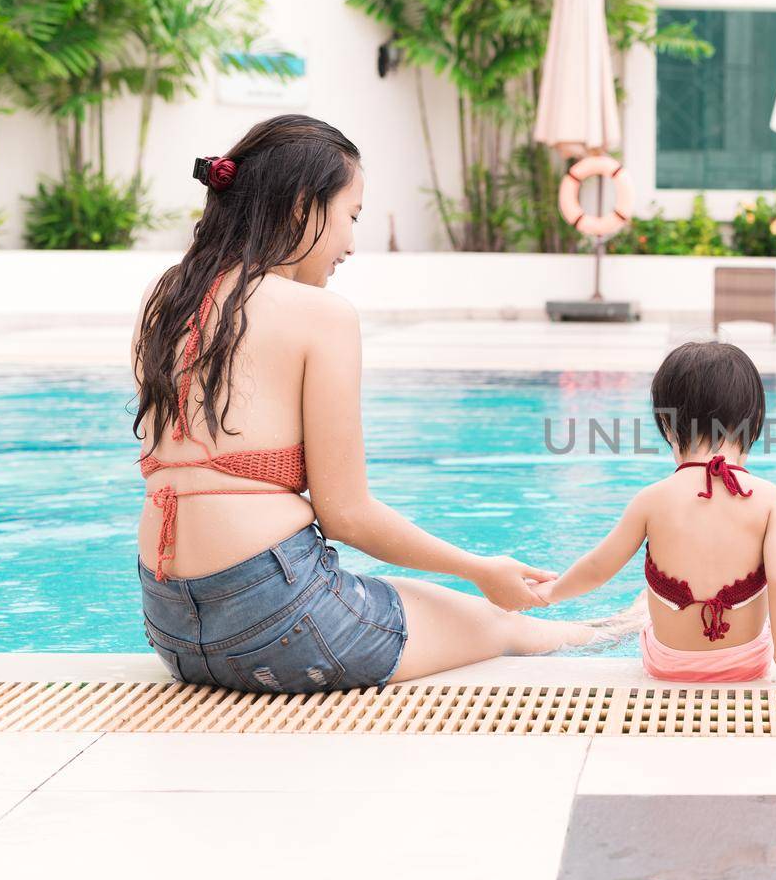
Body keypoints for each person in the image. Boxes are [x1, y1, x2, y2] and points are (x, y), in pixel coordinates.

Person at [133, 114, 614, 694]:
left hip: (172, 629)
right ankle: (608, 630)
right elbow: (348, 515)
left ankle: (589, 629)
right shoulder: (321, 315)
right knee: (498, 626)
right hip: (280, 619)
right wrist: (480, 570)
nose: (352, 245)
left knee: (446, 610)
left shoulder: (164, 301)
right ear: (303, 207)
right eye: (351, 217)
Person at [531, 341, 776, 684]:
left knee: (644, 609)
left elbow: (598, 567)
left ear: (667, 428)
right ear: (753, 423)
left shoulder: (651, 499)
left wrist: (550, 592)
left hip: (667, 664)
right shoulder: (769, 498)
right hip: (747, 663)